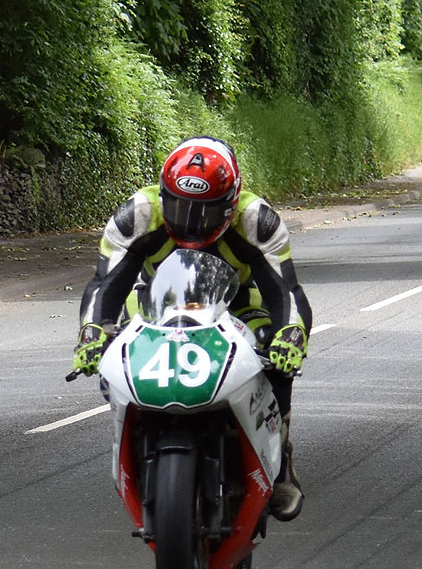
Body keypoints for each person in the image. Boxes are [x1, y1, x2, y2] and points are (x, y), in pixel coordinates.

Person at [70, 136, 312, 520]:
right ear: (163, 194)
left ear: (231, 204)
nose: (192, 221)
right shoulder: (138, 214)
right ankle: (135, 442)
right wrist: (93, 332)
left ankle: (280, 459)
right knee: (112, 360)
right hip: (154, 305)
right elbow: (105, 283)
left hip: (237, 307)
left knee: (277, 356)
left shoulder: (258, 221)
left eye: (207, 211)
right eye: (180, 207)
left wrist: (290, 336)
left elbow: (286, 291)